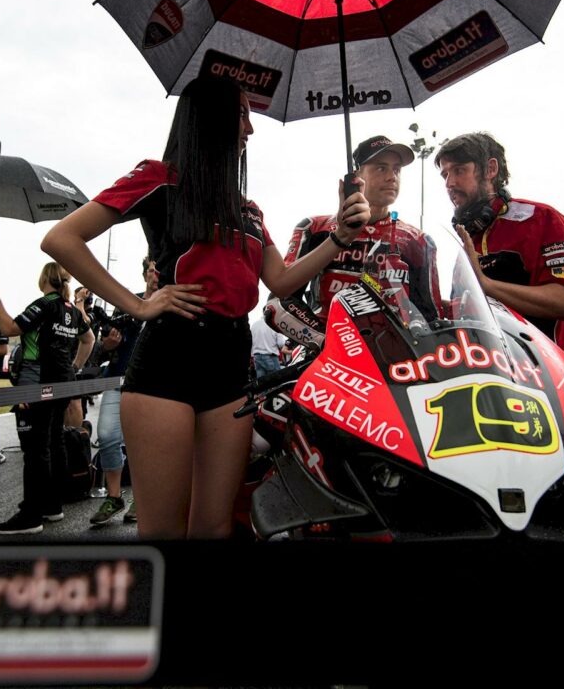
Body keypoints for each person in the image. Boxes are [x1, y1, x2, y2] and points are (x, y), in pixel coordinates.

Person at [41, 73, 370, 539]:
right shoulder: (160, 178)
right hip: (168, 360)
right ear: (210, 118)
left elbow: (281, 281)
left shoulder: (248, 209)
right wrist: (138, 304)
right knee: (163, 531)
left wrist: (339, 236)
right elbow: (62, 238)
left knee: (215, 526)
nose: (249, 129)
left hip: (231, 366)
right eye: (242, 115)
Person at [437, 133, 564, 351]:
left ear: (490, 169)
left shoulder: (541, 218)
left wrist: (486, 285)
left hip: (539, 366)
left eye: (459, 170)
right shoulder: (469, 234)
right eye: (445, 175)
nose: (450, 183)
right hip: (484, 363)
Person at [0, 262, 94, 534]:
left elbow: (9, 328)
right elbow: (89, 339)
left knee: (35, 449)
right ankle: (52, 505)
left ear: (44, 278)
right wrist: (74, 367)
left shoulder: (44, 305)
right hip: (63, 382)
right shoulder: (72, 310)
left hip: (38, 382)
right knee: (54, 442)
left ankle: (31, 515)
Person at [283, 134, 441, 322]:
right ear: (356, 176)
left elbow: (430, 318)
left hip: (389, 341)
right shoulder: (314, 228)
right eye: (381, 168)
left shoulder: (418, 241)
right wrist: (324, 337)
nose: (392, 177)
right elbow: (279, 304)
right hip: (325, 337)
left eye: (396, 170)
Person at [87, 257, 156, 528]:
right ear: (145, 274)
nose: (155, 276)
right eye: (151, 271)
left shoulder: (169, 306)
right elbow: (105, 345)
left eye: (158, 271)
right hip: (117, 379)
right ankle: (114, 497)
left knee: (144, 443)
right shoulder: (127, 303)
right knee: (106, 435)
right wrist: (107, 344)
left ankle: (142, 498)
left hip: (152, 385)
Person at [250, 315, 288, 380]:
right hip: (270, 357)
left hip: (257, 357)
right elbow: (281, 343)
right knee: (276, 381)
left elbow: (250, 342)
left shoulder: (254, 325)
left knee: (261, 382)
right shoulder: (274, 325)